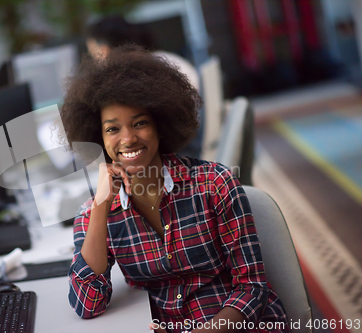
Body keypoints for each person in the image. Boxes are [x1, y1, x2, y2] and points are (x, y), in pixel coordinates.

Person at [61, 46, 288, 333]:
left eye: (140, 123)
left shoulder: (214, 184)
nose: (128, 138)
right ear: (98, 137)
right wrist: (101, 206)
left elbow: (252, 287)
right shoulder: (95, 214)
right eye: (112, 129)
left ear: (160, 125)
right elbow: (87, 304)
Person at [85, 15, 202, 159]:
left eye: (93, 55)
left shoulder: (140, 78)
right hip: (196, 142)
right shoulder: (163, 60)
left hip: (182, 152)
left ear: (103, 51)